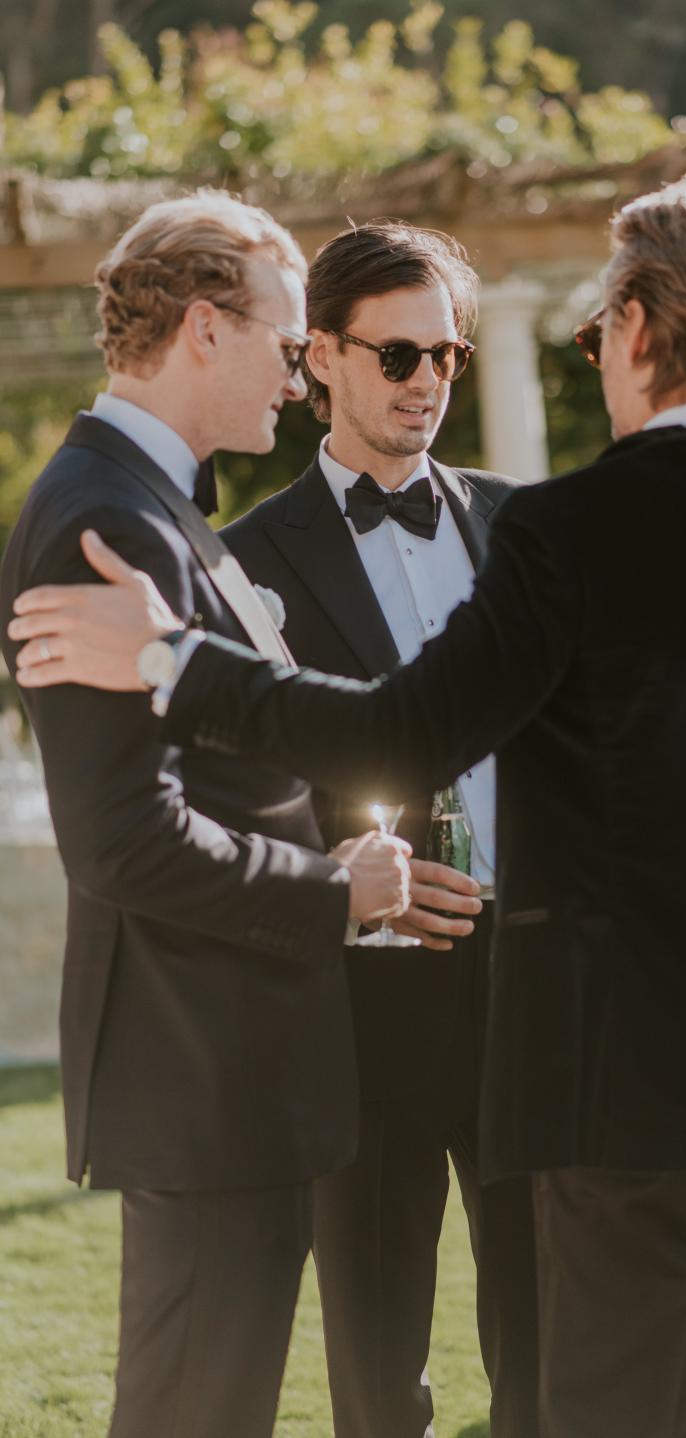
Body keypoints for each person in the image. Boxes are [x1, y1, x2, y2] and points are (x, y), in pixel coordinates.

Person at [13, 177, 686, 1438]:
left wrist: (170, 659)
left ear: (630, 334)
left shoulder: (562, 531)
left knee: (603, 1410)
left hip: (630, 1086)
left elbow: (398, 728)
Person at [0, 192, 412, 1438]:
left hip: (238, 1058)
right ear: (204, 328)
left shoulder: (160, 500)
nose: (301, 379)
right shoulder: (102, 523)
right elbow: (122, 838)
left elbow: (228, 762)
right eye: (292, 346)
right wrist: (332, 892)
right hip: (197, 1065)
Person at [220, 220, 540, 1438]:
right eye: (397, 356)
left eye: (447, 357)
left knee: (548, 1334)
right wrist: (351, 881)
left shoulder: (527, 531)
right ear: (320, 360)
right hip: (359, 1002)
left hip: (532, 986)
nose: (427, 383)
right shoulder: (242, 562)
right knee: (376, 1347)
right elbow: (231, 784)